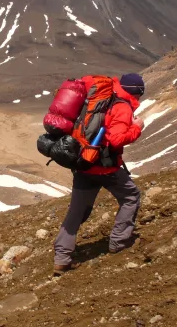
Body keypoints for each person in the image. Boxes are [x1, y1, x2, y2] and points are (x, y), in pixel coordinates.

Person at [53, 73, 146, 274]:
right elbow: (116, 139)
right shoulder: (121, 106)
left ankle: (61, 258)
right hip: (105, 168)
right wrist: (137, 127)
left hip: (83, 162)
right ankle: (119, 242)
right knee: (131, 196)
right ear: (137, 93)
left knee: (76, 211)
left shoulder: (99, 97)